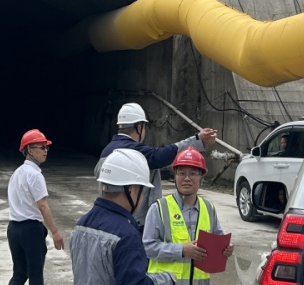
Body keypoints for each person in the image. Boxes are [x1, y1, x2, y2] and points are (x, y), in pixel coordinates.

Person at [96, 103, 217, 230]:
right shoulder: (135, 153)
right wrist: (197, 140)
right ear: (139, 127)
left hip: (108, 219)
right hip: (133, 224)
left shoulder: (106, 152)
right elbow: (162, 156)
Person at [70, 149, 174, 285]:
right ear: (131, 189)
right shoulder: (127, 235)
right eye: (142, 190)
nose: (143, 196)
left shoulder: (81, 224)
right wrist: (166, 279)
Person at [143, 148, 233, 284]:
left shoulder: (208, 208)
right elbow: (148, 248)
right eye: (181, 173)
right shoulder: (159, 208)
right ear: (175, 176)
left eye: (193, 173)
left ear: (201, 176)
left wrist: (226, 249)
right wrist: (181, 250)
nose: (187, 178)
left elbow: (218, 240)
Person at [7, 129, 64, 285]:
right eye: (42, 147)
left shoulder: (16, 173)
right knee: (36, 276)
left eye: (46, 147)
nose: (45, 151)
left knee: (19, 274)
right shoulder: (35, 175)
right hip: (30, 230)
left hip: (13, 229)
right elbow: (43, 206)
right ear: (29, 150)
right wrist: (55, 232)